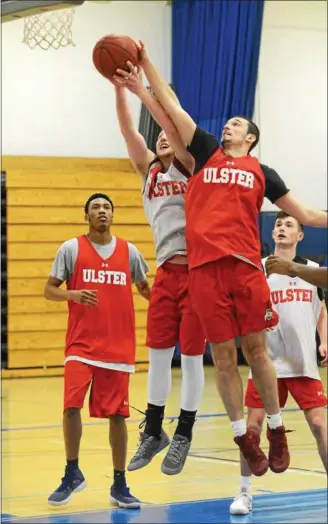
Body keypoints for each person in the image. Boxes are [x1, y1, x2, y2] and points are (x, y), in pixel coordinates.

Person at [128, 41, 328, 477]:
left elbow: (310, 215)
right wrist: (143, 75)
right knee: (221, 359)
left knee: (257, 352)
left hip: (243, 267)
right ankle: (244, 436)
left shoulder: (263, 172)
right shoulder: (202, 153)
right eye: (228, 123)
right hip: (203, 272)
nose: (228, 126)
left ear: (250, 137)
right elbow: (169, 111)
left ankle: (275, 429)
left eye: (236, 124)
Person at [113, 65, 205, 476]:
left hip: (199, 272)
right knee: (156, 355)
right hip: (167, 272)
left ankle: (183, 431)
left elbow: (173, 119)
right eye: (159, 134)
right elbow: (129, 130)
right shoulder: (148, 170)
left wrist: (149, 92)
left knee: (189, 359)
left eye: (169, 132)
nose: (163, 135)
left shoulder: (190, 164)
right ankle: (153, 430)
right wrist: (122, 91)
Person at [44, 193, 150, 509]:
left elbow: (147, 290)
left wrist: (174, 312)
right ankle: (71, 471)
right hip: (80, 344)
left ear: (113, 215)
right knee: (71, 405)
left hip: (118, 347)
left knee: (117, 416)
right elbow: (49, 290)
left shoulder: (129, 252)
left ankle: (119, 484)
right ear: (86, 215)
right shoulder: (71, 248)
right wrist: (72, 294)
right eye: (95, 208)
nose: (101, 211)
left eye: (106, 207)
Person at [230, 211, 328, 515]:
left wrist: (324, 339)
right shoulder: (258, 269)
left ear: (300, 236)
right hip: (266, 363)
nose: (282, 228)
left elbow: (322, 308)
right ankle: (244, 493)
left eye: (289, 225)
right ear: (272, 235)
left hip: (302, 364)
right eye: (278, 225)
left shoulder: (312, 271)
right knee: (252, 428)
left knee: (319, 425)